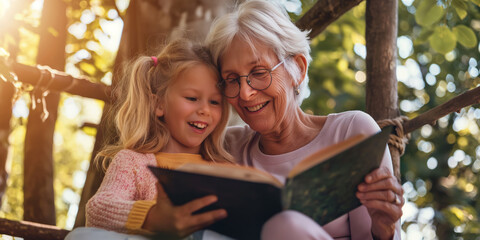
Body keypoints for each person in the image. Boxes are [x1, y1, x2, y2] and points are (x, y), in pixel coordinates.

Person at [204, 0, 404, 239]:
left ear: (297, 69)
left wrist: (383, 229)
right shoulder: (227, 147)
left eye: (259, 72)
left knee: (285, 226)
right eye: (232, 79)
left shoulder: (353, 132)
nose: (245, 93)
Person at [66, 39, 234, 240]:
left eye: (214, 102)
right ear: (159, 104)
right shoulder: (134, 162)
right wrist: (152, 217)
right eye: (192, 98)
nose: (205, 110)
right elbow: (98, 209)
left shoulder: (225, 169)